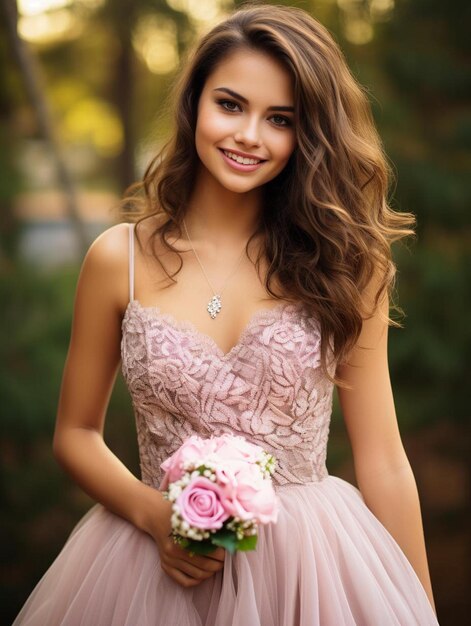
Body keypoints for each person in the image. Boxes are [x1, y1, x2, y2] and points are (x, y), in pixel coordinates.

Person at [13, 2, 440, 624]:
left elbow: (384, 461)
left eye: (280, 119)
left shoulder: (348, 265)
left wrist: (419, 606)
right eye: (231, 105)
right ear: (195, 106)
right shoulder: (118, 259)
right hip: (149, 571)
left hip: (313, 575)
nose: (248, 135)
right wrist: (151, 513)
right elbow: (75, 435)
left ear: (307, 135)